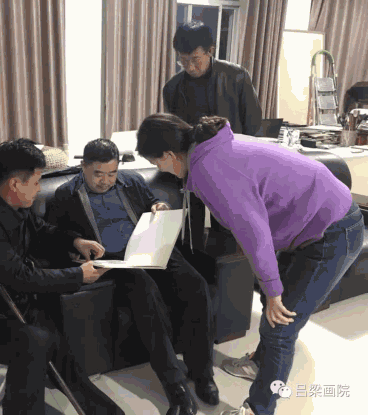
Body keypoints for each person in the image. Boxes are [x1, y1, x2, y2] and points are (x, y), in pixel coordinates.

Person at [135, 113, 364, 415]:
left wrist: (273, 290)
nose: (160, 169)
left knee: (280, 327)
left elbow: (253, 232)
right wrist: (271, 289)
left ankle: (259, 408)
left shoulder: (209, 170)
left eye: (156, 163)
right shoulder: (209, 147)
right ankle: (258, 364)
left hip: (333, 230)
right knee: (273, 312)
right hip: (311, 225)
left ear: (168, 155)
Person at [0, 139, 125, 415]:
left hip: (12, 302)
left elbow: (41, 230)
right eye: (37, 181)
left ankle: (102, 410)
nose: (40, 188)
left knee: (58, 345)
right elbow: (18, 276)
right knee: (35, 341)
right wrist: (78, 275)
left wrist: (75, 241)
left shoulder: (14, 202)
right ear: (16, 184)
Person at [46, 139, 214, 413]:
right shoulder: (66, 194)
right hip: (117, 260)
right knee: (145, 292)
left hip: (149, 245)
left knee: (195, 283)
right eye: (98, 174)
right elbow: (54, 235)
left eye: (111, 173)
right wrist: (75, 244)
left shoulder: (132, 181)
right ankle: (176, 388)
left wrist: (159, 206)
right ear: (83, 167)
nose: (105, 181)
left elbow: (152, 202)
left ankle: (203, 373)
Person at [163, 20, 263, 255]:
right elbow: (175, 133)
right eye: (183, 60)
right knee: (191, 228)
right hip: (193, 165)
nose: (189, 66)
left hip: (232, 164)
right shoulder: (172, 88)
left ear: (211, 50)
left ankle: (228, 269)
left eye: (195, 59)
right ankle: (198, 266)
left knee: (228, 228)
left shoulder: (236, 77)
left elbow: (254, 125)